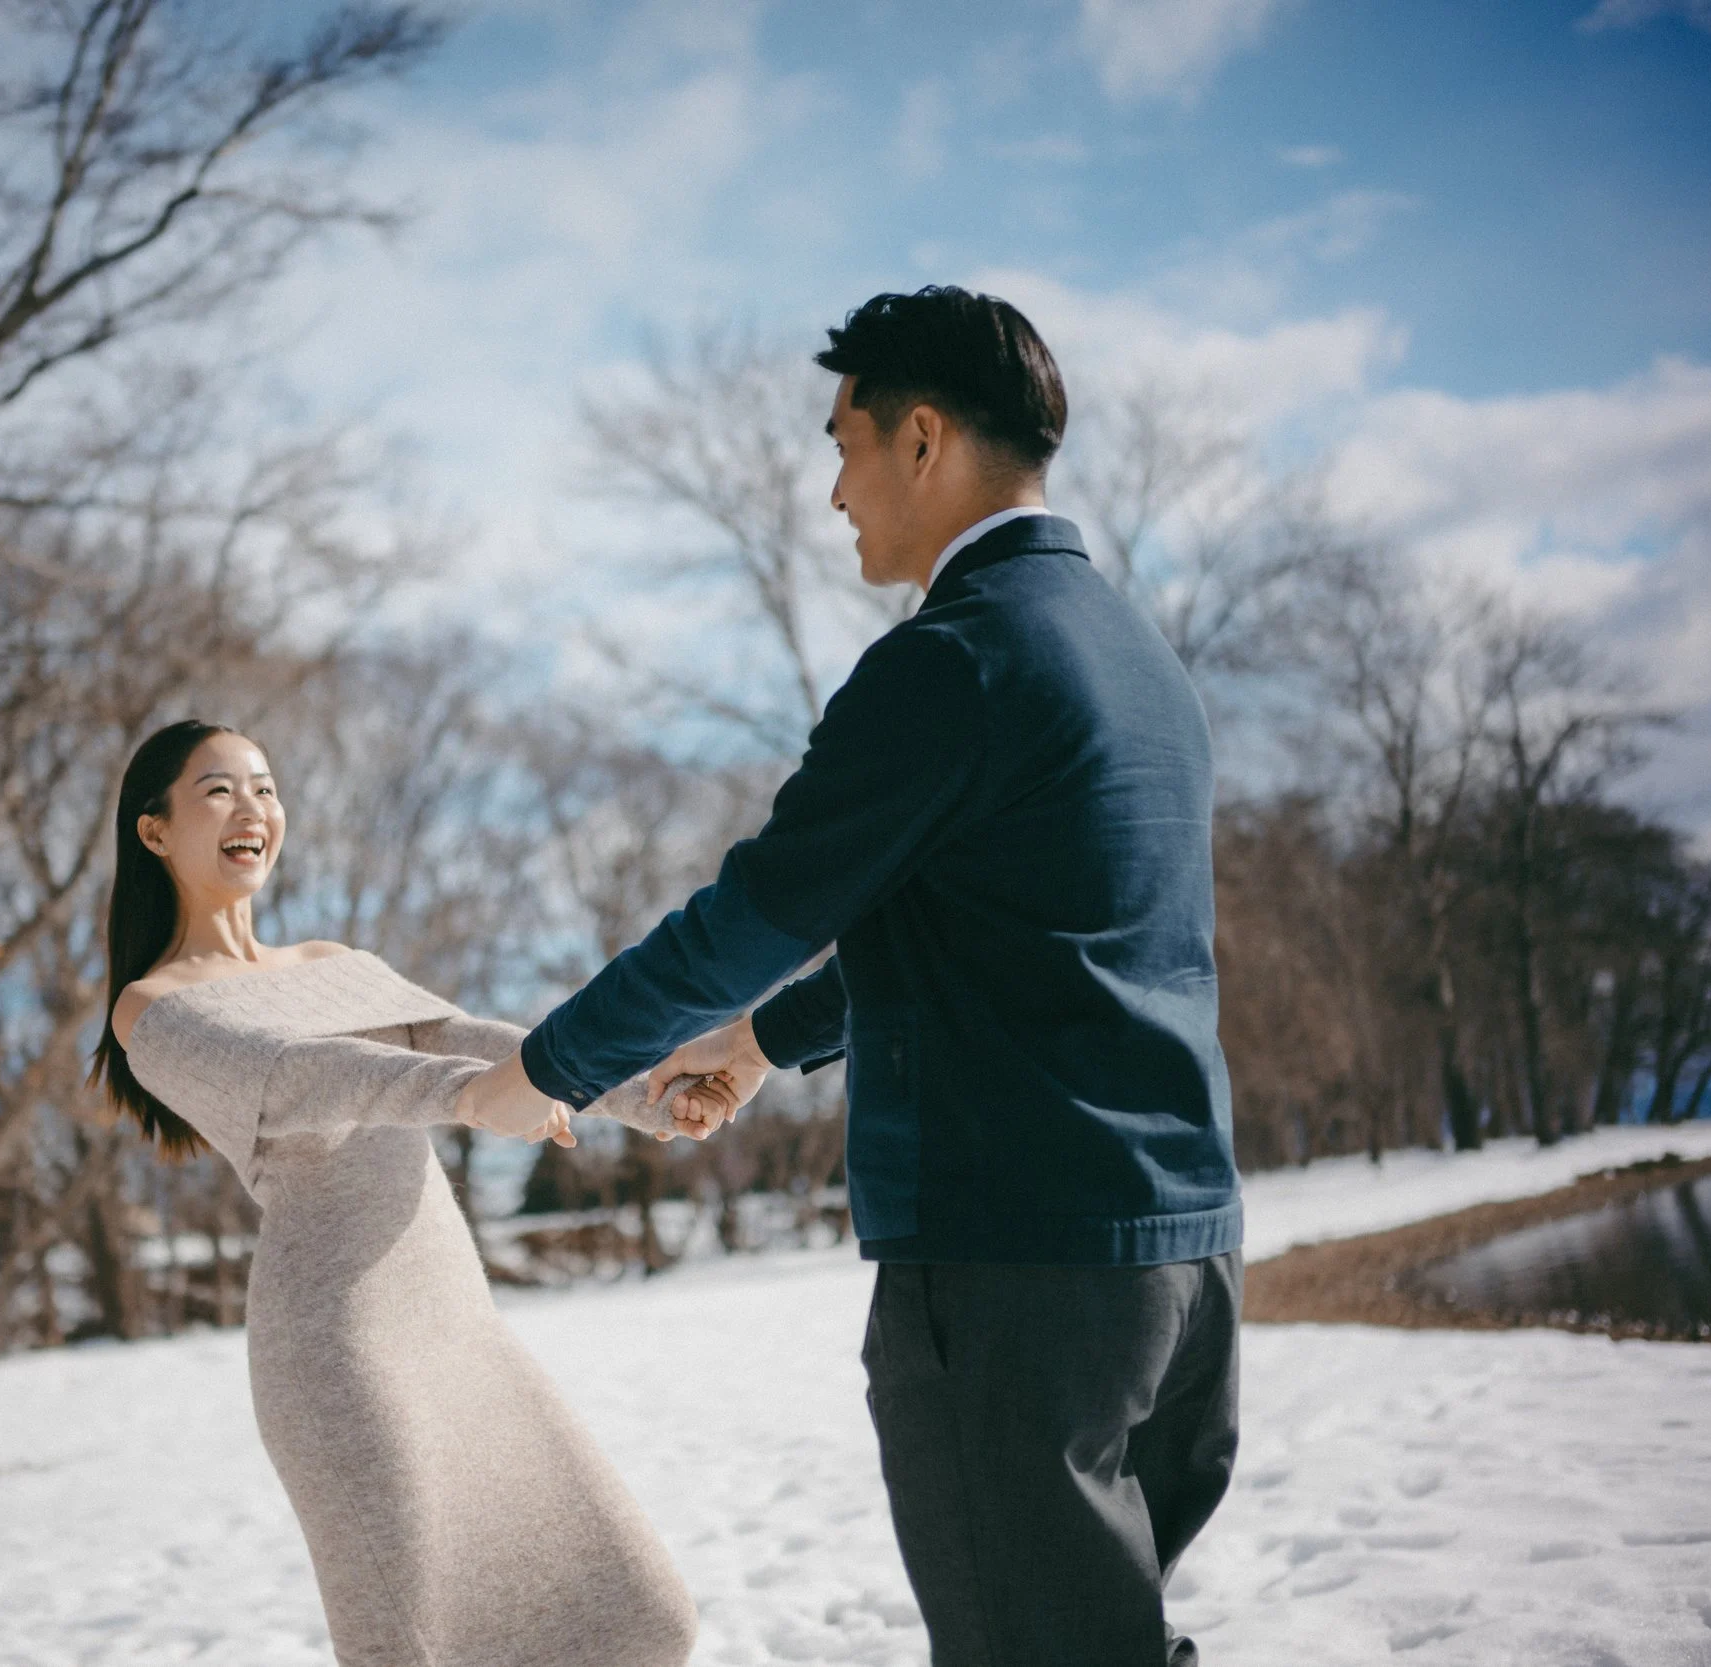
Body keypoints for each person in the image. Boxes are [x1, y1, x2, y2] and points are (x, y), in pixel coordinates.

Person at [458, 287, 1243, 1666]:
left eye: (844, 442)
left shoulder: (953, 660)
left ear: (922, 438)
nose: (832, 490)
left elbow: (755, 909)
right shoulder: (1139, 658)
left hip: (1015, 1273)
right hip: (1180, 1264)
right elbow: (1006, 938)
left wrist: (544, 1068)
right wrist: (768, 1040)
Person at [95, 719, 702, 1667]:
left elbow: (464, 1037)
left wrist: (637, 1093)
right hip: (339, 1350)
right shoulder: (156, 1005)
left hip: (457, 1326)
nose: (252, 806)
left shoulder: (334, 962)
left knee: (636, 1612)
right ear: (155, 831)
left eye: (264, 784)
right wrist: (472, 1101)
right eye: (217, 789)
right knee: (418, 1647)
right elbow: (301, 1075)